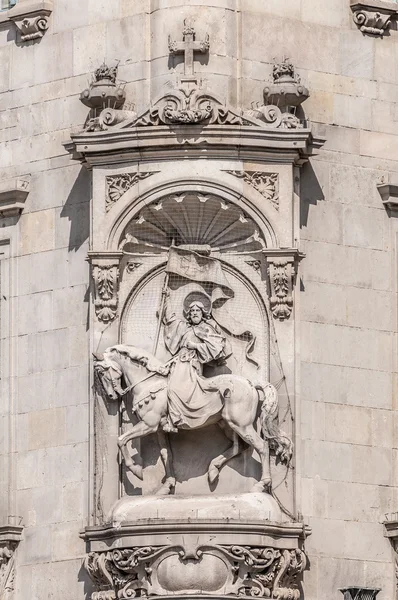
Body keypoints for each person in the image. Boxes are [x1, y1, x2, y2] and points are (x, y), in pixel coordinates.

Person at [162, 290, 229, 432]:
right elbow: (170, 319)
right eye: (192, 311)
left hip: (192, 364)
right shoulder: (183, 327)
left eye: (197, 310)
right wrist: (167, 298)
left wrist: (195, 346)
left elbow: (217, 347)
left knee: (173, 388)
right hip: (178, 362)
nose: (194, 313)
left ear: (203, 313)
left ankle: (175, 420)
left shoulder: (206, 329)